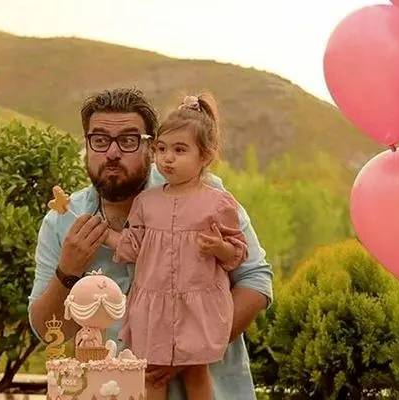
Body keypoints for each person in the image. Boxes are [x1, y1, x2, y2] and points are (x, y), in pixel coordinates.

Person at [28, 87, 273, 400]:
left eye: (129, 140)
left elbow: (255, 281)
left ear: (150, 147)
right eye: (99, 140)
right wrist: (67, 272)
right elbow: (48, 331)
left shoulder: (204, 194)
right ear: (87, 146)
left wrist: (187, 351)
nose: (112, 152)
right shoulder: (62, 221)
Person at [104, 93, 248, 400]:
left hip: (197, 308)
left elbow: (237, 252)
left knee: (196, 373)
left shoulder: (218, 203)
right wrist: (103, 234)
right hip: (152, 307)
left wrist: (218, 248)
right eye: (161, 149)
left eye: (179, 150)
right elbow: (133, 247)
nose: (167, 158)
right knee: (151, 374)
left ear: (205, 156)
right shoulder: (146, 202)